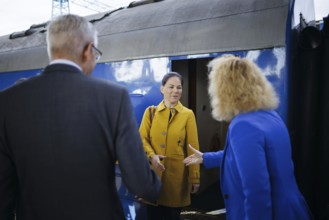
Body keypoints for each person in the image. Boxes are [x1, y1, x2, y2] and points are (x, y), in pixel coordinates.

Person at [0, 14, 161, 220]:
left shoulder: (7, 102)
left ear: (51, 49)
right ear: (88, 50)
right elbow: (143, 185)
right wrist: (156, 178)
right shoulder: (114, 98)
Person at [183, 55, 312, 220]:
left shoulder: (243, 125)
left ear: (225, 90)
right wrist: (205, 158)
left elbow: (257, 192)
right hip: (290, 209)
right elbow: (252, 157)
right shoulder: (271, 115)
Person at [139, 72, 200, 220]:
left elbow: (193, 148)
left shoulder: (188, 114)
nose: (175, 91)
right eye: (171, 87)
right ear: (162, 89)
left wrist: (194, 178)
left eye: (179, 87)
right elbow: (141, 139)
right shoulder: (150, 112)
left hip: (176, 179)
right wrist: (152, 156)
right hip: (153, 177)